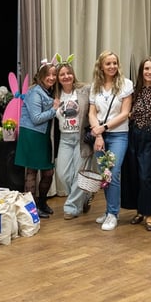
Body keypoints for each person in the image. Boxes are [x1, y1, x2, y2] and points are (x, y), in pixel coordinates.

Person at [88, 50, 133, 231]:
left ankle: (113, 214)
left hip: (118, 135)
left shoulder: (126, 84)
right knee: (104, 175)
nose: (112, 66)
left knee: (113, 173)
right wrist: (98, 135)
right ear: (101, 66)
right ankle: (108, 211)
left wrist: (103, 128)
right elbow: (92, 113)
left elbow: (124, 113)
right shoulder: (95, 86)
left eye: (115, 63)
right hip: (100, 136)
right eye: (108, 63)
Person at [14, 62, 60, 219]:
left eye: (54, 74)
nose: (52, 78)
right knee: (32, 171)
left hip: (42, 136)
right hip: (32, 135)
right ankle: (32, 208)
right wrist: (54, 109)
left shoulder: (47, 91)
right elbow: (36, 118)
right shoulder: (34, 92)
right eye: (48, 74)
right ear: (41, 76)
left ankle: (41, 203)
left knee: (48, 172)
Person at [121, 58, 151, 231]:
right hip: (133, 134)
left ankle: (149, 214)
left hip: (149, 135)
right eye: (146, 68)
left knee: (145, 176)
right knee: (134, 174)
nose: (149, 72)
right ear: (141, 71)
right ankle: (139, 211)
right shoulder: (134, 90)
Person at [53, 60, 93, 220]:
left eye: (68, 73)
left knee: (79, 174)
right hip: (64, 138)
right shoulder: (54, 95)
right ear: (58, 77)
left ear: (73, 74)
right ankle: (84, 197)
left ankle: (71, 208)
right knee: (63, 174)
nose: (66, 76)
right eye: (62, 74)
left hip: (81, 137)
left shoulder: (84, 90)